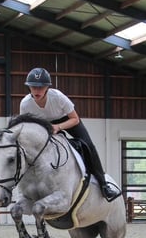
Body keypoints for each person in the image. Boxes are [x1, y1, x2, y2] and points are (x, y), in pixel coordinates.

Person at [19, 67, 121, 202]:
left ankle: (104, 185)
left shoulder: (58, 97)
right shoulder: (25, 104)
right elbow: (26, 127)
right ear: (29, 87)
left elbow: (75, 119)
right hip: (43, 125)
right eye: (34, 87)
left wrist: (58, 127)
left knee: (89, 145)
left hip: (67, 121)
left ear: (47, 88)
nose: (37, 90)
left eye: (41, 87)